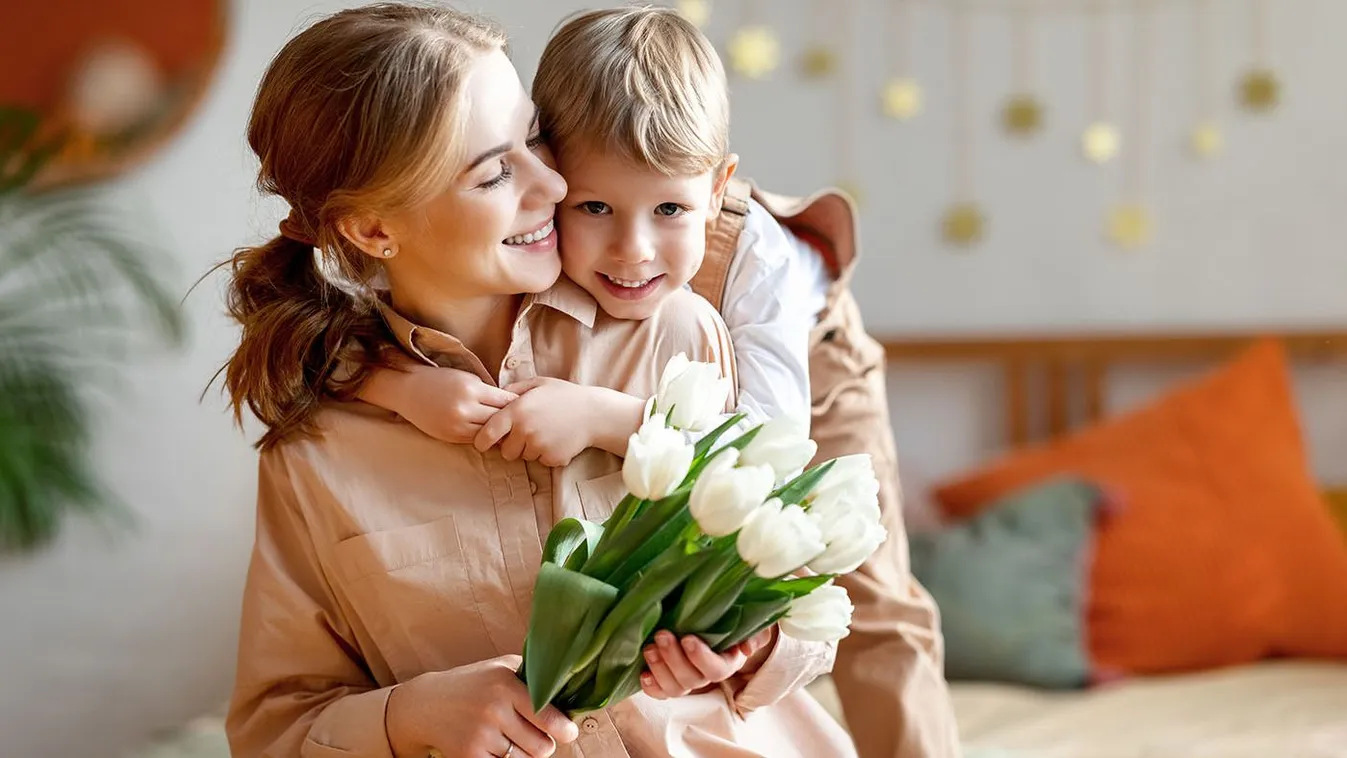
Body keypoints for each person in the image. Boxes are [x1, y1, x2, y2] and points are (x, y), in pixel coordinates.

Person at [219, 4, 856, 757]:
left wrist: (746, 645)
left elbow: (808, 601)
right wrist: (409, 716)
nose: (553, 181)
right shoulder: (315, 455)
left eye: (532, 138)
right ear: (373, 231)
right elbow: (274, 731)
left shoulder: (673, 330)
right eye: (495, 173)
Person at [357, 8, 962, 757]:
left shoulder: (756, 262)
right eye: (594, 207)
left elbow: (766, 454)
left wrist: (606, 417)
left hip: (810, 369)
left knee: (868, 597)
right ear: (551, 176)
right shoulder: (516, 246)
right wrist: (404, 387)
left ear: (716, 189)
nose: (632, 250)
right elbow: (332, 333)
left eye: (669, 208)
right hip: (678, 383)